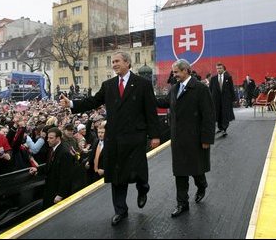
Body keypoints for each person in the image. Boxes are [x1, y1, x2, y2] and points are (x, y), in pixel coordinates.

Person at [60, 51, 161, 226]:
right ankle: (120, 210)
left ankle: (143, 188)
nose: (114, 64)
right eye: (112, 61)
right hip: (114, 137)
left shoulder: (142, 84)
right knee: (117, 174)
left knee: (138, 170)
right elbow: (93, 101)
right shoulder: (108, 85)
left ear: (128, 63)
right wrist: (72, 104)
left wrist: (155, 136)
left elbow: (150, 111)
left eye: (117, 61)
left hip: (135, 136)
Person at [156, 59, 215, 218]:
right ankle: (182, 203)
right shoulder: (175, 89)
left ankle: (201, 185)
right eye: (173, 72)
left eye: (176, 72)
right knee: (180, 172)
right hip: (178, 139)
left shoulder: (200, 89)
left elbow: (208, 116)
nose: (173, 75)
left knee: (196, 169)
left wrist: (207, 139)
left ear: (186, 71)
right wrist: (147, 96)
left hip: (195, 139)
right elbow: (164, 102)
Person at [209, 63, 236, 136]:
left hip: (226, 100)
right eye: (217, 68)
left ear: (223, 69)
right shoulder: (213, 79)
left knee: (225, 114)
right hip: (216, 100)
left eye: (220, 68)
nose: (218, 70)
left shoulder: (228, 77)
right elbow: (210, 90)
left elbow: (231, 89)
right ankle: (220, 128)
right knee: (218, 114)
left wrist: (233, 99)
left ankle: (224, 129)